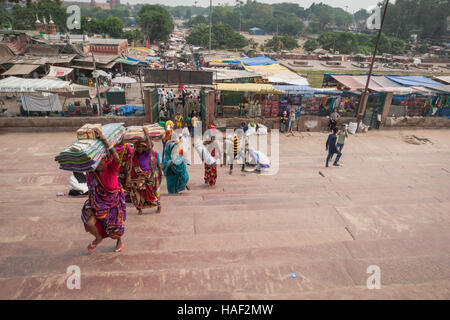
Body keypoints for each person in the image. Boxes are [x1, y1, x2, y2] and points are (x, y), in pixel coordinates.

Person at [81, 128, 126, 253]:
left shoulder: (111, 168)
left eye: (100, 162)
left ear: (105, 160)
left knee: (115, 228)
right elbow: (91, 190)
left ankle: (119, 241)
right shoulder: (91, 173)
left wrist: (104, 140)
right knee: (90, 224)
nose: (98, 165)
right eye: (96, 162)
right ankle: (98, 237)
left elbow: (117, 158)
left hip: (113, 205)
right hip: (96, 204)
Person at [127, 128, 162, 215]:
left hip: (148, 176)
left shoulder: (148, 153)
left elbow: (150, 147)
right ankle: (139, 209)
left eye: (141, 146)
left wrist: (147, 135)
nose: (139, 148)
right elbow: (130, 166)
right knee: (136, 193)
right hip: (138, 177)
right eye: (138, 146)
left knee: (151, 193)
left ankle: (158, 205)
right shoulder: (134, 155)